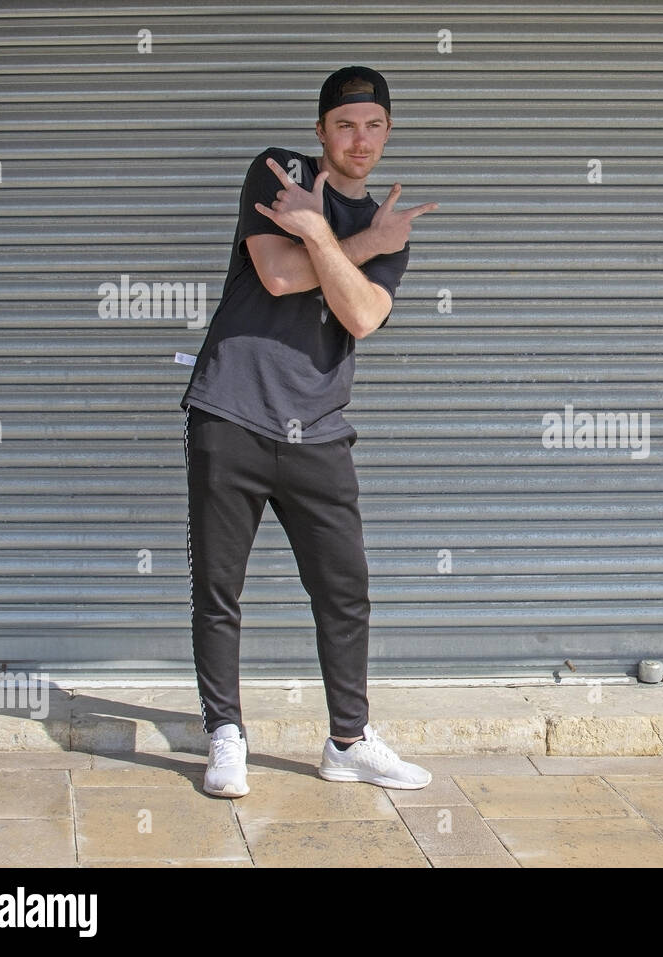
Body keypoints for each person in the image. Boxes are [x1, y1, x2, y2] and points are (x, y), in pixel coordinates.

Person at [179, 66, 438, 798]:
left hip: (319, 428)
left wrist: (324, 233)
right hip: (230, 409)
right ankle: (225, 734)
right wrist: (341, 238)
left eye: (375, 125)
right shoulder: (278, 173)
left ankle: (348, 740)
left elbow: (360, 316)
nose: (361, 139)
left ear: (388, 134)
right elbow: (278, 275)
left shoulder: (393, 227)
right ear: (321, 129)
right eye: (347, 124)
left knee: (344, 589)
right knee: (219, 590)